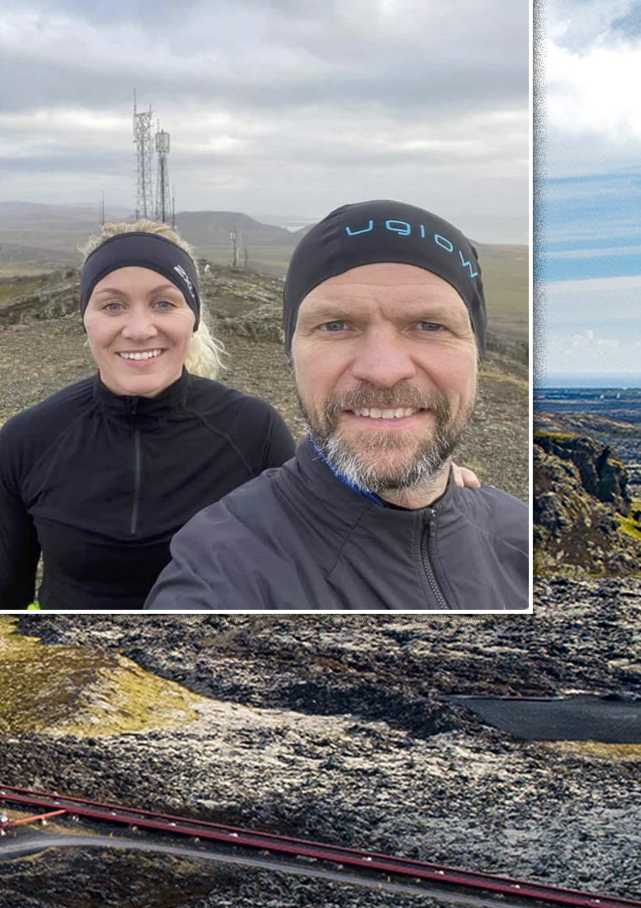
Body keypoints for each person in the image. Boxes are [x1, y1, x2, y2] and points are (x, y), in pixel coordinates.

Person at [145, 200, 529, 611]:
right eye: (335, 326)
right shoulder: (223, 567)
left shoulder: (521, 536)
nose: (383, 371)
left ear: (477, 352)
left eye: (430, 326)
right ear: (291, 352)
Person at [0, 221, 295, 610]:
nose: (139, 330)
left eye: (163, 303)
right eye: (112, 305)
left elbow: (287, 591)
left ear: (192, 317)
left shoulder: (255, 433)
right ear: (85, 319)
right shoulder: (27, 441)